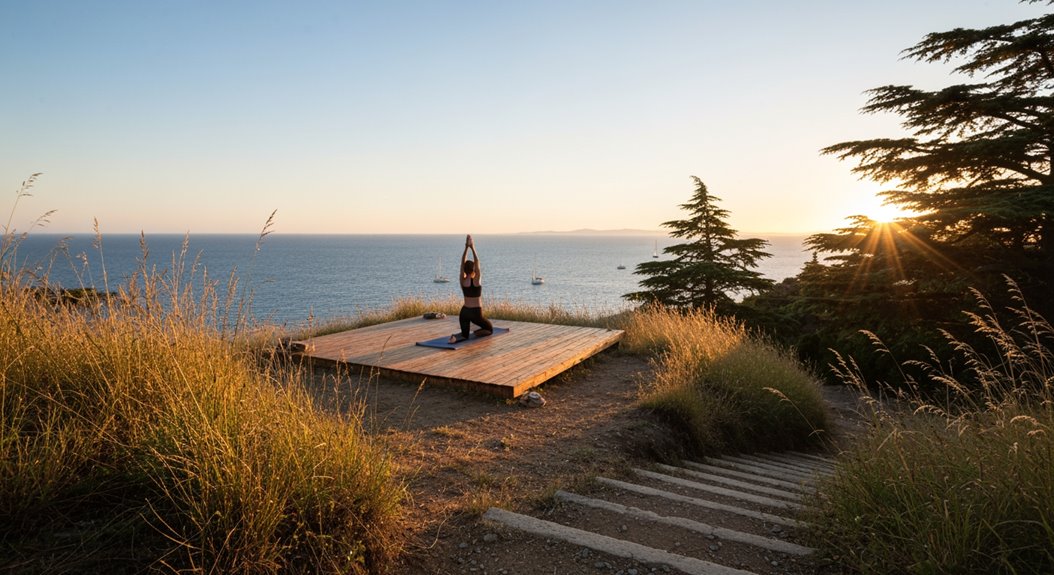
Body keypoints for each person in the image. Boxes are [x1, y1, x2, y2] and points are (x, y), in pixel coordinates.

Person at [449, 234, 493, 343]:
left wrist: (465, 248)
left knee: (464, 335)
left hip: (464, 312)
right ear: (473, 270)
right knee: (489, 329)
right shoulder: (477, 280)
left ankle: (456, 338)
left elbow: (461, 264)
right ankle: (477, 333)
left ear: (464, 270)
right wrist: (472, 247)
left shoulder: (463, 281)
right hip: (476, 313)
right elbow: (477, 262)